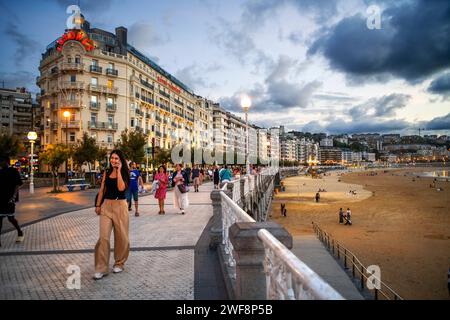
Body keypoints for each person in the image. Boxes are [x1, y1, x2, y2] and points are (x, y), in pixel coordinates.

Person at [94, 149, 130, 280]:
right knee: (103, 237)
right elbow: (102, 189)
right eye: (112, 158)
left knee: (121, 237)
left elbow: (121, 188)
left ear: (121, 160)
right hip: (106, 206)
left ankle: (119, 263)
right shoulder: (107, 172)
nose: (113, 161)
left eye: (116, 159)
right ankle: (101, 268)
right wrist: (98, 205)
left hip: (120, 206)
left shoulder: (125, 172)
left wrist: (119, 171)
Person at [0, 156, 24, 247]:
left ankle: (19, 231)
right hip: (0, 199)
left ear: (6, 162)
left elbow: (18, 184)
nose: (0, 163)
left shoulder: (13, 171)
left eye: (1, 161)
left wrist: (14, 196)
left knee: (11, 218)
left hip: (10, 199)